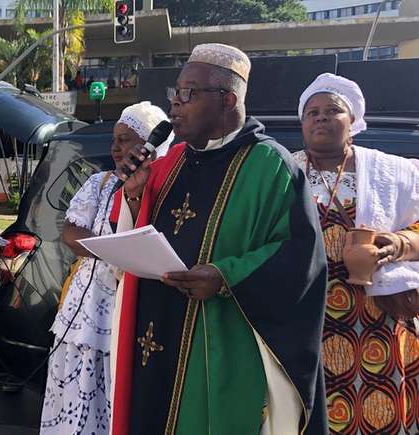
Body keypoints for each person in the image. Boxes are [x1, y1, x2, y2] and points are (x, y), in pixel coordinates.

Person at [109, 43, 329, 434]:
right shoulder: (170, 162)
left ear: (228, 99)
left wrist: (226, 276)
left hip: (221, 343)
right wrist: (135, 195)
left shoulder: (271, 166)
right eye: (175, 92)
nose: (175, 103)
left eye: (188, 93)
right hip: (155, 336)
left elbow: (300, 260)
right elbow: (136, 239)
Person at [293, 73, 419, 434]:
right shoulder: (283, 170)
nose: (321, 117)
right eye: (312, 112)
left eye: (333, 110)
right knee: (310, 412)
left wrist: (398, 244)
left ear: (353, 121)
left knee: (380, 411)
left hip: (379, 316)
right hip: (305, 319)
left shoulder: (394, 171)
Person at [40, 101, 168, 435]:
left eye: (125, 140)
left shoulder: (166, 185)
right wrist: (114, 251)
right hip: (86, 305)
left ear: (149, 145)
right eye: (114, 140)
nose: (115, 148)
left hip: (131, 301)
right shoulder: (100, 182)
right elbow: (71, 234)